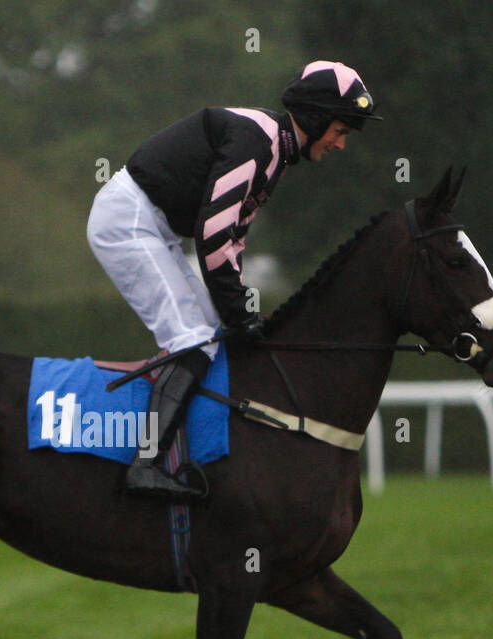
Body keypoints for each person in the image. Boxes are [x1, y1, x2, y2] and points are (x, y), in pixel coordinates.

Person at [87, 60, 381, 499]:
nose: (341, 144)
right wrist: (241, 314)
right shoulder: (258, 141)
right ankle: (147, 463)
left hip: (155, 227)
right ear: (317, 118)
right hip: (129, 221)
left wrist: (242, 313)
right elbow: (213, 234)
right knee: (194, 338)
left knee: (215, 333)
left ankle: (199, 450)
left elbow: (233, 242)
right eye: (340, 130)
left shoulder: (275, 152)